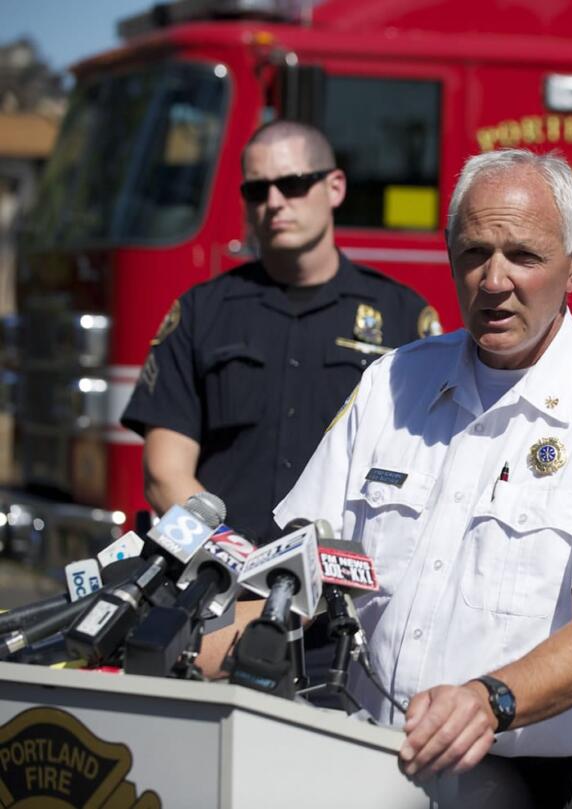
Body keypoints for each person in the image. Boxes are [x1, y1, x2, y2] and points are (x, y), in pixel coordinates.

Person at [267, 149, 572, 807]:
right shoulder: (393, 382)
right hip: (371, 771)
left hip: (541, 784)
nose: (494, 279)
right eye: (474, 253)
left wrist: (489, 700)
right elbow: (295, 568)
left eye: (524, 257)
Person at [121, 120, 439, 541]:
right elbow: (163, 477)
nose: (273, 202)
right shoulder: (201, 311)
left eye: (293, 184)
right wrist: (231, 561)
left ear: (336, 187)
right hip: (220, 586)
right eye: (257, 189)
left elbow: (430, 469)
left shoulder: (403, 317)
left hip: (345, 589)